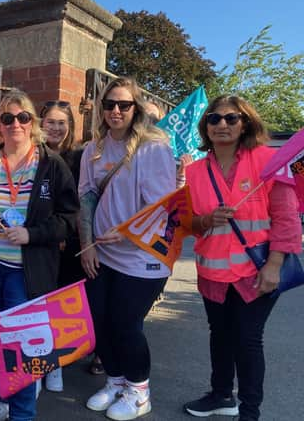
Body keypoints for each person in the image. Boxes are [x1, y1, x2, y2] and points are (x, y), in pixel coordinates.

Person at [0, 91, 79, 421]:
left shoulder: (51, 165)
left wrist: (32, 234)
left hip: (24, 271)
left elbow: (69, 219)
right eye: (7, 118)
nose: (15, 124)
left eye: (23, 117)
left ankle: (22, 414)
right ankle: (7, 397)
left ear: (33, 123)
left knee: (23, 348)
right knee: (0, 340)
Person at [182, 96, 301, 421]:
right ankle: (221, 395)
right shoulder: (193, 171)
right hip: (212, 273)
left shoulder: (269, 161)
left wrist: (274, 266)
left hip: (257, 272)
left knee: (248, 341)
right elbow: (186, 222)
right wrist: (206, 221)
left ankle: (249, 412)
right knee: (219, 336)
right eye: (214, 118)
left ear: (245, 123)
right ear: (205, 126)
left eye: (231, 118)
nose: (222, 124)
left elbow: (286, 218)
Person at [78, 77, 175, 420]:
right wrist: (87, 244)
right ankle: (115, 381)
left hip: (141, 256)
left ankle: (139, 391)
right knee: (100, 322)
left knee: (126, 323)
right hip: (102, 254)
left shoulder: (154, 147)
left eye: (124, 105)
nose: (115, 111)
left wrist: (125, 232)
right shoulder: (94, 148)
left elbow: (162, 206)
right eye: (109, 105)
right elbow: (87, 197)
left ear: (135, 109)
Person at [39, 99, 85, 392]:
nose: (56, 128)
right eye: (51, 122)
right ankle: (38, 361)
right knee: (38, 303)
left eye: (62, 123)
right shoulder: (32, 156)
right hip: (38, 241)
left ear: (70, 127)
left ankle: (56, 365)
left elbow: (79, 205)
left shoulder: (79, 158)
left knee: (62, 306)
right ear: (40, 124)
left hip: (67, 242)